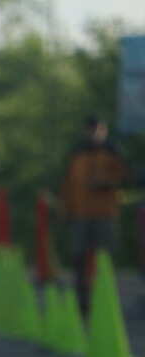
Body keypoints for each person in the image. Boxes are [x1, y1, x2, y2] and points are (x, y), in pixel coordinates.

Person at [59, 115, 131, 315]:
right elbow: (68, 185)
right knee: (78, 257)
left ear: (104, 129)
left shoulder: (112, 151)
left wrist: (105, 182)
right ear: (85, 130)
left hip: (105, 213)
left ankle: (105, 298)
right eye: (90, 128)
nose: (94, 132)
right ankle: (82, 299)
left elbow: (127, 177)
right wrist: (65, 211)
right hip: (80, 214)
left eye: (97, 128)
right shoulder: (77, 154)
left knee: (104, 259)